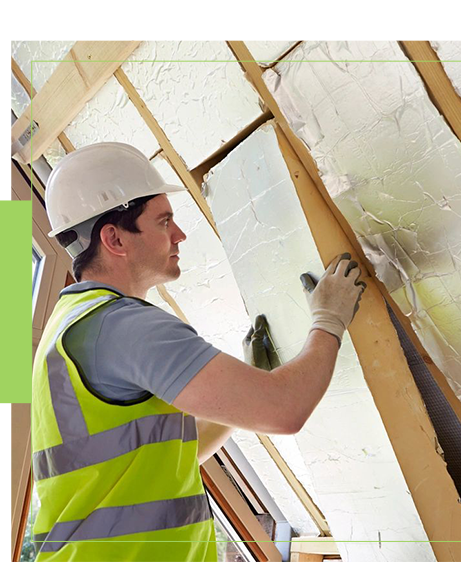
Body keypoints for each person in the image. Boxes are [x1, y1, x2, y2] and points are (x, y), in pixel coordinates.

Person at [31, 142, 365, 561]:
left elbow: (171, 457)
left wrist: (241, 393)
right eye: (163, 221)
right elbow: (285, 410)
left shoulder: (69, 325)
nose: (179, 234)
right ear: (114, 238)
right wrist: (329, 320)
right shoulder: (123, 327)